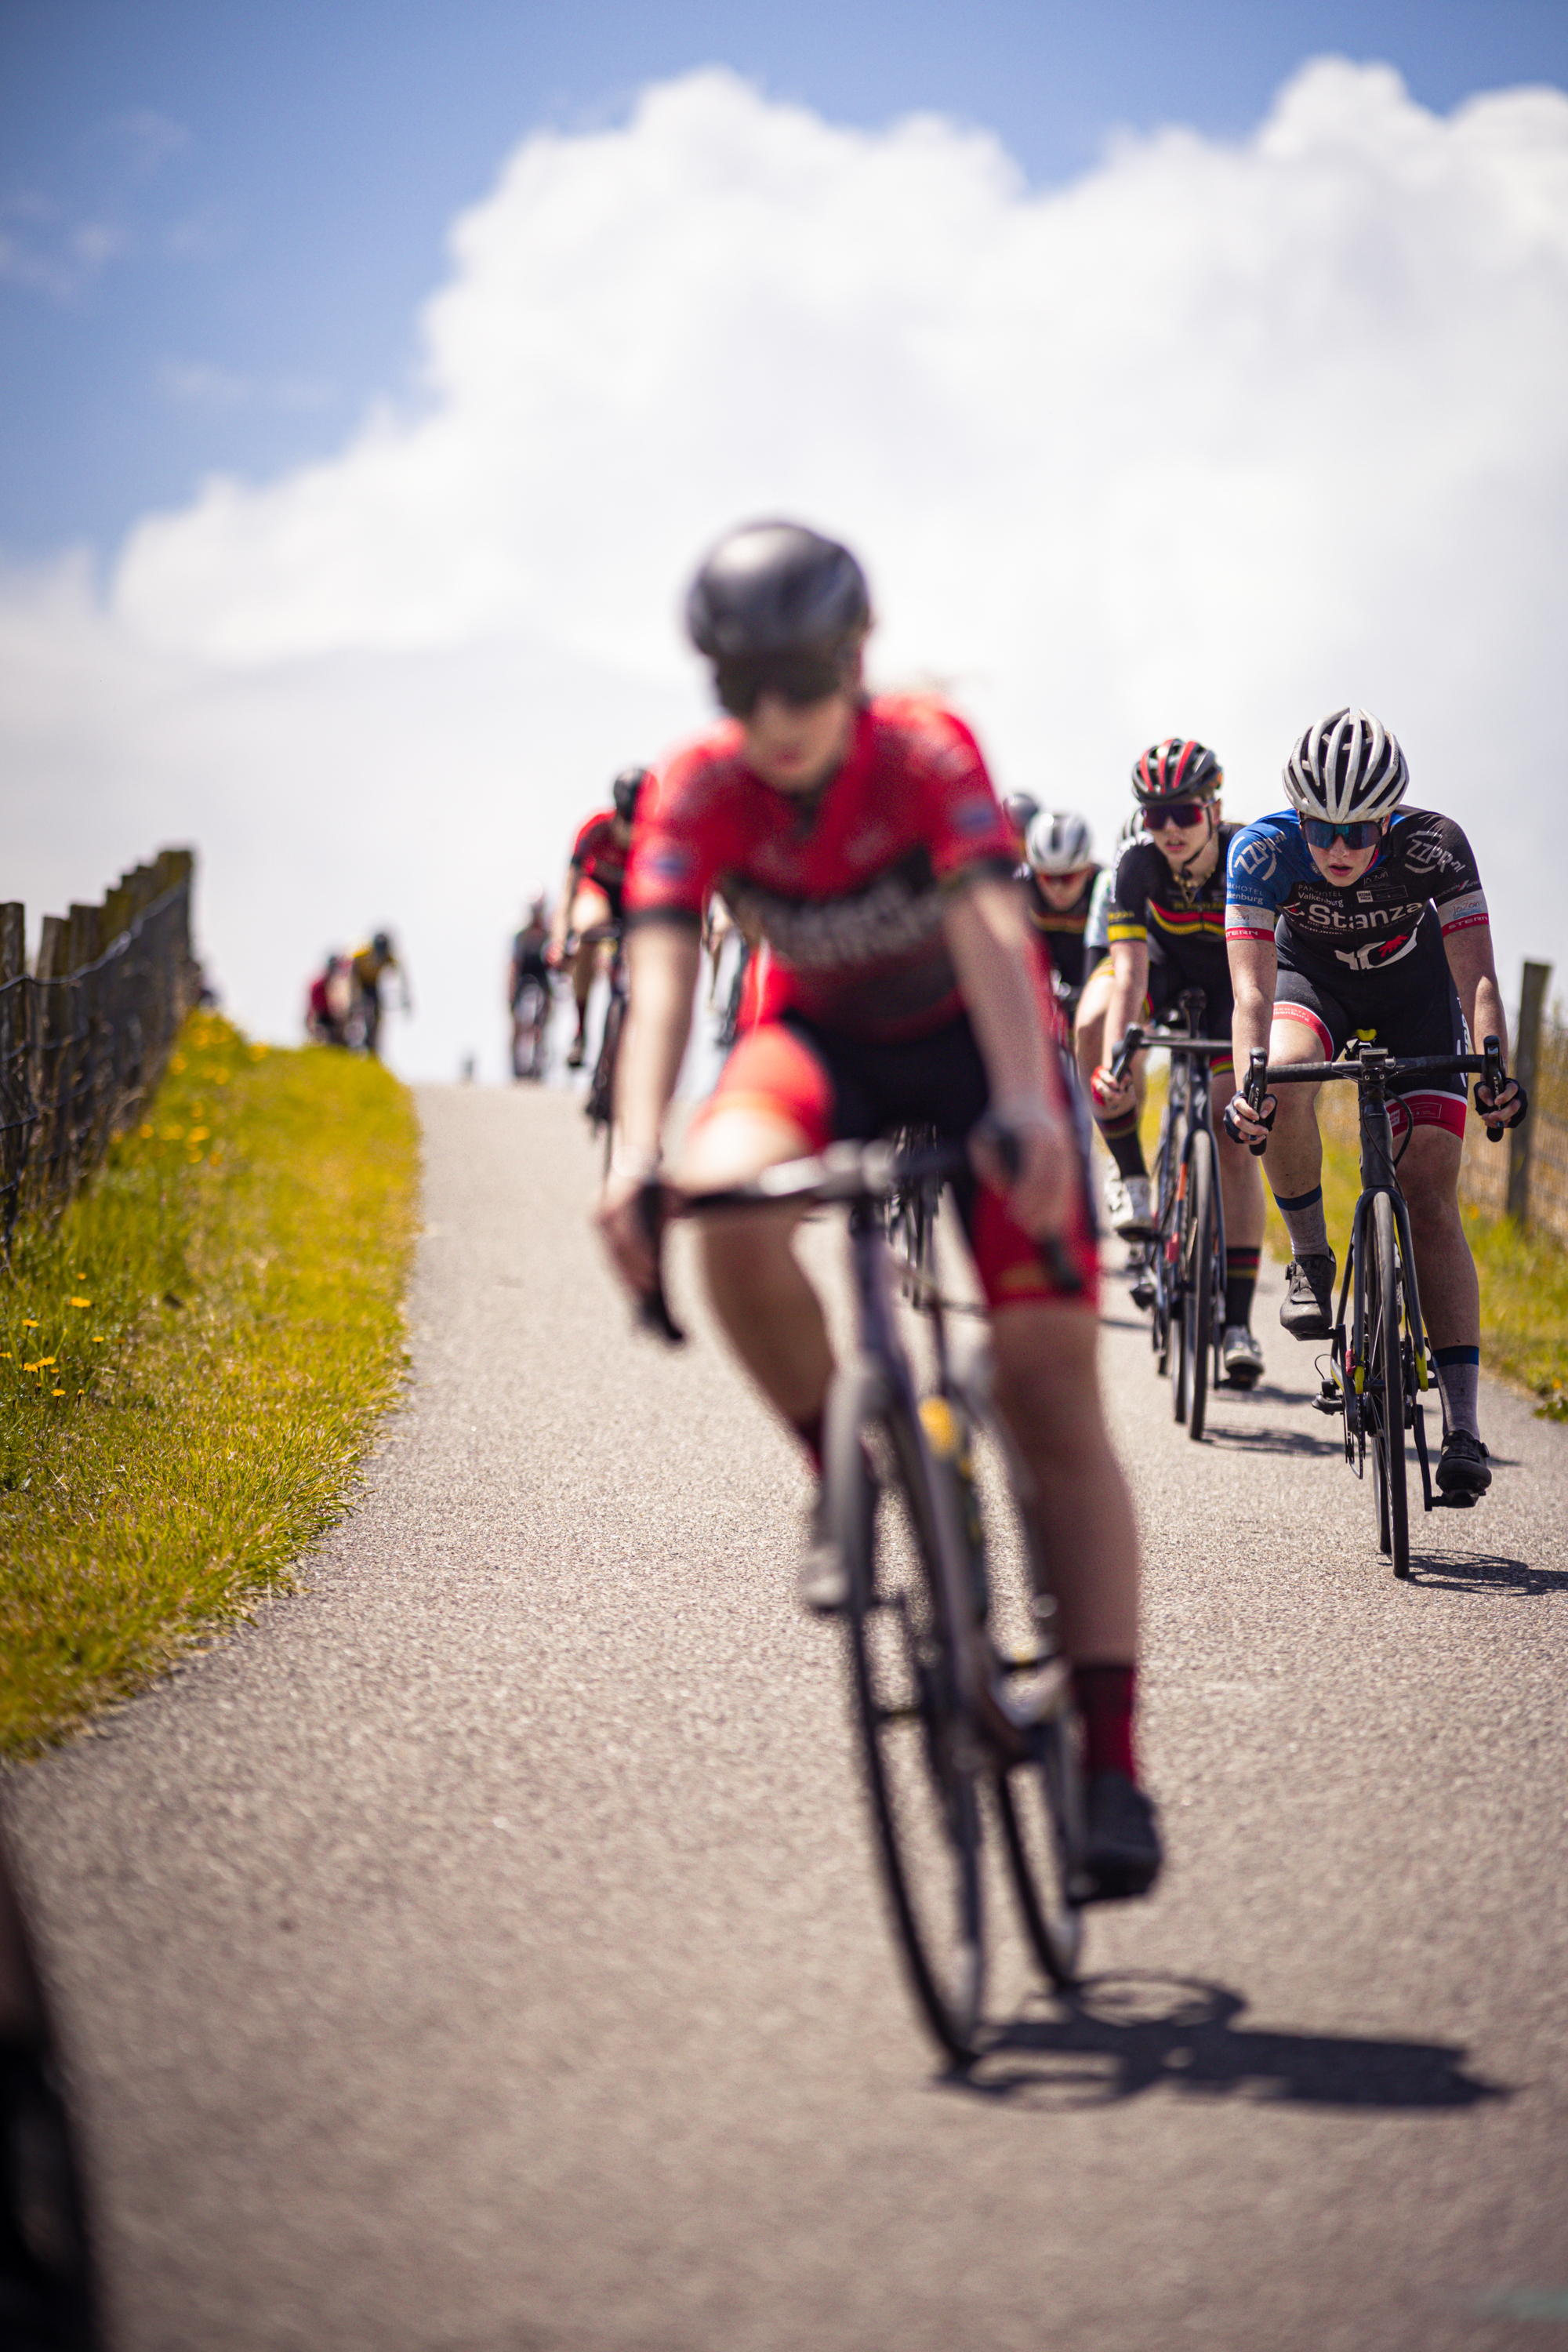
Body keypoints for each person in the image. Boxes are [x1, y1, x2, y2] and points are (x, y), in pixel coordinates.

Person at [596, 518, 1161, 1898]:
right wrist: (631, 1156)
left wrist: (1030, 1104)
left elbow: (984, 927)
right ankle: (836, 1466)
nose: (775, 718)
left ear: (854, 659)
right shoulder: (700, 788)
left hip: (982, 1045)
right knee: (723, 1208)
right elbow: (663, 969)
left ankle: (1107, 1760)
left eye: (800, 680)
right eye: (742, 689)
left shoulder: (924, 752)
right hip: (821, 1048)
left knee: (1044, 1382)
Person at [1225, 708, 1525, 1496]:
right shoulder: (1259, 850)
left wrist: (1493, 1068)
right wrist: (1249, 1082)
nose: (1336, 849)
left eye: (1358, 832)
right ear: (1298, 815)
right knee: (1285, 1077)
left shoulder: (1435, 845)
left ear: (1388, 818)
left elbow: (1478, 979)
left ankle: (1461, 1425)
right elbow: (1249, 994)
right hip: (1309, 982)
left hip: (1413, 992)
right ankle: (1311, 1258)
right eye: (1321, 828)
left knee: (1428, 1191)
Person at [1076, 739, 1267, 1385]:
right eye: (1154, 816)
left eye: (1182, 814)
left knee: (1230, 1131)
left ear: (1214, 806)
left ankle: (1238, 1323)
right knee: (1094, 1021)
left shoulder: (1249, 854)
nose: (1168, 830)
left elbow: (1260, 976)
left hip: (1230, 991)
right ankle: (1132, 1178)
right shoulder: (1137, 866)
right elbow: (1128, 972)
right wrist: (1117, 1058)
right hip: (1159, 973)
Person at [549, 767, 651, 1069]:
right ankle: (580, 1031)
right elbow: (569, 888)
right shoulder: (595, 829)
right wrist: (560, 939)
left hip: (635, 897)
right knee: (590, 927)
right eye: (627, 820)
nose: (631, 830)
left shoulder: (658, 833)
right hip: (598, 893)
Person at [1022, 811, 1101, 1030]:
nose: (1056, 887)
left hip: (1089, 979)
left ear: (1087, 870)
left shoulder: (1105, 888)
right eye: (1047, 877)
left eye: (1067, 877)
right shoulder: (1020, 886)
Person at [510, 897, 553, 1079]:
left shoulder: (549, 931)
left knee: (545, 1017)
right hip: (523, 978)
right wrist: (510, 994)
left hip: (542, 978)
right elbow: (514, 964)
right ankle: (514, 1061)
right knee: (517, 1022)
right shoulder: (520, 933)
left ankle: (540, 1050)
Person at [349, 931, 410, 1058]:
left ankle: (373, 1044)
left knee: (377, 1015)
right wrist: (353, 997)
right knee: (358, 1010)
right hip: (358, 981)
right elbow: (351, 973)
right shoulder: (361, 953)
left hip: (373, 985)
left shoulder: (389, 957)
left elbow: (401, 975)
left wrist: (405, 997)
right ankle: (351, 1040)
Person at [305, 953, 350, 1047]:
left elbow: (342, 1009)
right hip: (319, 1020)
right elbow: (315, 1012)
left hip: (335, 1020)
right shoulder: (317, 986)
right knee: (325, 1038)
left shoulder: (340, 985)